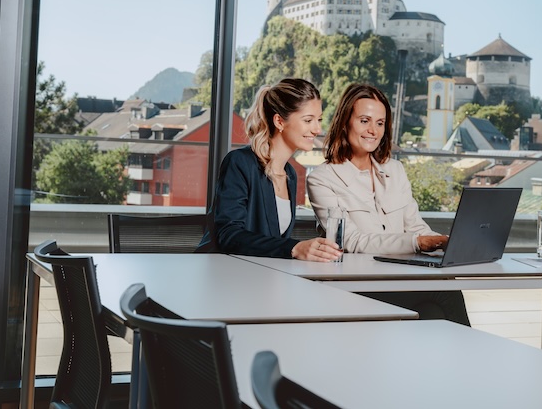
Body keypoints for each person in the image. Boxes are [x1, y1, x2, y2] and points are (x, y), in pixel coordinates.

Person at [307, 83, 470, 324]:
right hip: (355, 284)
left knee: (432, 312)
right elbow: (351, 241)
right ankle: (472, 359)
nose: (373, 130)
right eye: (364, 121)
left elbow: (415, 226)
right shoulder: (322, 178)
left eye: (380, 123)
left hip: (399, 278)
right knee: (444, 290)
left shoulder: (396, 170)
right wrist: (416, 243)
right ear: (345, 122)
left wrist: (445, 242)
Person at [197, 78, 342, 261]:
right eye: (308, 120)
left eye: (319, 120)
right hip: (222, 274)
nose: (317, 129)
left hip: (259, 276)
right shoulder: (240, 163)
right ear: (279, 122)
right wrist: (294, 248)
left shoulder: (290, 174)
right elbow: (228, 235)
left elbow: (273, 244)